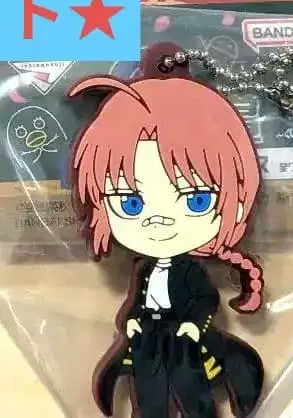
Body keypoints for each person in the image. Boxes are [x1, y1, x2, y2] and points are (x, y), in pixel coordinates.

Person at [69, 71, 264, 418]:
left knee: (192, 393)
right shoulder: (143, 269)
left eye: (196, 200)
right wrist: (132, 321)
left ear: (235, 203)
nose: (159, 220)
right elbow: (136, 304)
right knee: (149, 394)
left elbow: (205, 299)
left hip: (184, 342)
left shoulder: (191, 271)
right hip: (148, 339)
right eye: (130, 203)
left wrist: (194, 325)